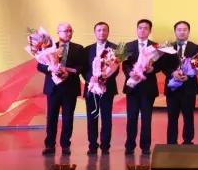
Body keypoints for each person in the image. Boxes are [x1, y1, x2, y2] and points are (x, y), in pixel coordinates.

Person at [37, 22, 85, 156]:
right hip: (53, 88)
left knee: (68, 118)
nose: (68, 33)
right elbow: (39, 66)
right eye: (65, 31)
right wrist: (50, 68)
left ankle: (65, 145)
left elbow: (81, 67)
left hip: (70, 88)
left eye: (70, 31)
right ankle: (49, 145)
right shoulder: (49, 47)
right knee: (51, 118)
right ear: (58, 32)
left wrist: (69, 71)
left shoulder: (78, 48)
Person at [123, 19, 164, 156]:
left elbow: (160, 65)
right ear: (137, 29)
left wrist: (153, 69)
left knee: (146, 119)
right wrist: (130, 72)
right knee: (131, 118)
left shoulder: (156, 47)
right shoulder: (128, 46)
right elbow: (124, 64)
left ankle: (145, 147)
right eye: (140, 28)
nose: (142, 30)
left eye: (146, 28)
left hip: (148, 87)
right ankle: (129, 146)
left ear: (150, 31)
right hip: (132, 87)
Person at [163, 21, 198, 145]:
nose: (182, 32)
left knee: (188, 116)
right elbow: (164, 66)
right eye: (179, 30)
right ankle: (171, 142)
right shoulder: (168, 47)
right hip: (172, 88)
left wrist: (188, 76)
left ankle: (188, 141)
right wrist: (172, 73)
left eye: (185, 30)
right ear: (175, 32)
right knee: (172, 117)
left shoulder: (195, 47)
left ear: (188, 32)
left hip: (188, 88)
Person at [83, 22, 118, 156]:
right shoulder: (88, 49)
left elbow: (116, 69)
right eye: (99, 30)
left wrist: (105, 77)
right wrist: (91, 78)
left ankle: (105, 146)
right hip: (91, 88)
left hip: (107, 88)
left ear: (108, 32)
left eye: (104, 30)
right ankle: (92, 145)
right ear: (95, 32)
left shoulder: (115, 49)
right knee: (92, 117)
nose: (102, 32)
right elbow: (84, 69)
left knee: (106, 118)